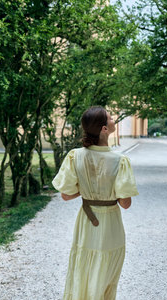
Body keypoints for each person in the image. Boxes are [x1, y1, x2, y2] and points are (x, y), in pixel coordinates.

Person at [52, 106, 138, 300]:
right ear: (104, 129)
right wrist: (109, 192)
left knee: (84, 267)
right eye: (110, 118)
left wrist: (88, 191)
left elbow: (66, 195)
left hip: (86, 222)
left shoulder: (75, 156)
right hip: (110, 224)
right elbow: (125, 203)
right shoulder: (120, 160)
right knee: (107, 272)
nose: (113, 119)